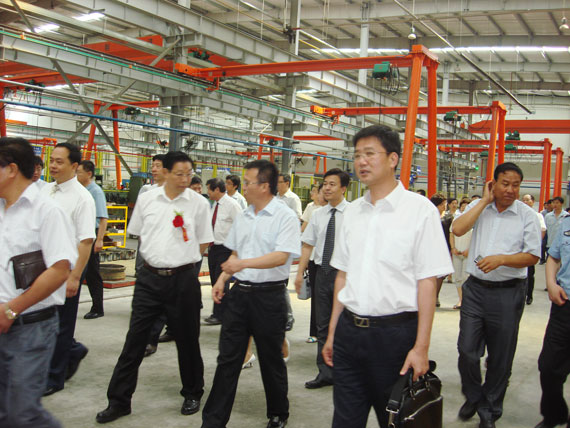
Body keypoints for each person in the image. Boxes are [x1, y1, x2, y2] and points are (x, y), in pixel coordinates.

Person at [322, 125, 453, 428]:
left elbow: (427, 282)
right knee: (344, 421)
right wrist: (332, 332)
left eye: (370, 154)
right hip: (349, 333)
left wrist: (421, 347)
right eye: (357, 155)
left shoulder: (420, 211)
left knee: (395, 420)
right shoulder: (352, 212)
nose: (361, 162)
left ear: (393, 159)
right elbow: (343, 275)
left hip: (395, 337)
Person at [96, 151, 213, 424]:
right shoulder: (147, 198)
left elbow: (204, 241)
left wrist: (180, 259)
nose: (185, 179)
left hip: (183, 280)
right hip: (149, 280)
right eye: (179, 174)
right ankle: (119, 401)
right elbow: (138, 232)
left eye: (188, 174)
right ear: (166, 173)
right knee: (134, 341)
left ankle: (192, 392)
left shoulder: (198, 203)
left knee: (187, 340)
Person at [201, 159, 301, 428]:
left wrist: (241, 264)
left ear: (264, 185)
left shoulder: (285, 216)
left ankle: (278, 413)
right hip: (239, 295)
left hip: (269, 298)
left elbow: (281, 256)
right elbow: (236, 253)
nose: (243, 186)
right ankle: (213, 420)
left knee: (271, 359)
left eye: (247, 182)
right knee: (228, 359)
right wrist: (222, 278)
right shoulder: (244, 216)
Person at [452, 162, 541, 428]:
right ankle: (473, 395)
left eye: (516, 185)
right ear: (493, 184)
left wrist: (502, 259)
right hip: (475, 290)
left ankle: (489, 411)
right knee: (467, 350)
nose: (511, 190)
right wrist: (484, 201)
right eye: (505, 184)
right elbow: (458, 229)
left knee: (501, 356)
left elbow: (533, 256)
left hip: (508, 293)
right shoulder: (480, 208)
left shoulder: (526, 215)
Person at [0, 137, 77, 428]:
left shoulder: (47, 211)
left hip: (30, 328)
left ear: (11, 169)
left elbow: (59, 270)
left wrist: (12, 309)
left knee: (22, 414)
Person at [43, 143, 96, 396]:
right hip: (45, 268)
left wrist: (75, 277)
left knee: (62, 324)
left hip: (67, 269)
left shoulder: (82, 198)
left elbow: (85, 241)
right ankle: (74, 350)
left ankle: (55, 377)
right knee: (45, 319)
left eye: (59, 161)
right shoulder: (46, 190)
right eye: (52, 160)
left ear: (74, 166)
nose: (53, 165)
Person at [294, 168, 350, 390]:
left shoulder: (354, 214)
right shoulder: (318, 214)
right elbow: (308, 245)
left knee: (345, 323)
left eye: (332, 184)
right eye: (325, 184)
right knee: (322, 324)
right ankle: (325, 372)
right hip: (322, 274)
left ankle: (345, 373)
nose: (326, 188)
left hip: (345, 274)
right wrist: (300, 273)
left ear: (343, 188)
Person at [535, 214, 570, 428]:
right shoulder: (567, 222)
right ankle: (554, 414)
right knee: (548, 367)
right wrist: (551, 283)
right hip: (564, 304)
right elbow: (554, 257)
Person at [204, 177, 242, 325]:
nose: (207, 192)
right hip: (214, 247)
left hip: (226, 249)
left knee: (222, 281)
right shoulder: (215, 204)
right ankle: (221, 312)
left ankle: (220, 315)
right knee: (215, 280)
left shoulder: (232, 205)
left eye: (209, 189)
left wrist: (235, 251)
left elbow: (240, 226)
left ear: (217, 189)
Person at [76, 160, 109, 319]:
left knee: (92, 273)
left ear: (89, 174)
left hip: (92, 234)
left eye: (79, 172)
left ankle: (98, 307)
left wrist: (100, 239)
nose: (76, 175)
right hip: (80, 233)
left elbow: (103, 218)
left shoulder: (95, 191)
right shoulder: (79, 189)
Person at [301, 182, 326, 344]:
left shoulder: (346, 212)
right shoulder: (313, 210)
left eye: (317, 191)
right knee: (316, 298)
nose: (315, 194)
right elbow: (307, 237)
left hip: (332, 264)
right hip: (314, 260)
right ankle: (315, 332)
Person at [522, 194, 547, 305]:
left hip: (530, 250)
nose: (525, 202)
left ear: (533, 201)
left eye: (527, 200)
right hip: (519, 249)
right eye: (523, 200)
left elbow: (543, 230)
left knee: (530, 273)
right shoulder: (519, 214)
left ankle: (529, 295)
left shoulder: (538, 215)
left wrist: (536, 245)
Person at [449, 198, 473, 308]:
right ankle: (461, 299)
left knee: (466, 277)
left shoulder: (475, 219)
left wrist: (470, 250)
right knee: (457, 277)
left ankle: (467, 301)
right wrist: (453, 248)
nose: (464, 208)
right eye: (463, 206)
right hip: (457, 252)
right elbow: (451, 234)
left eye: (467, 206)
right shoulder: (456, 219)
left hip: (468, 253)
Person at [430, 193, 453, 307]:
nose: (444, 206)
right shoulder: (428, 215)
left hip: (443, 246)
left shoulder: (448, 217)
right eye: (442, 204)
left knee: (441, 274)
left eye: (445, 204)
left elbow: (450, 234)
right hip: (430, 247)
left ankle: (436, 296)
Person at [540, 200, 553, 264]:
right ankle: (542, 259)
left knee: (550, 246)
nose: (547, 206)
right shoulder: (543, 213)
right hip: (545, 232)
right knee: (543, 245)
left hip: (552, 232)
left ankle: (548, 259)